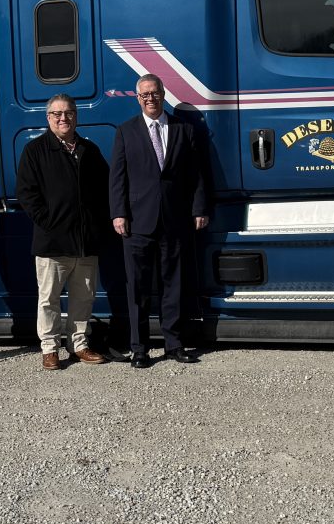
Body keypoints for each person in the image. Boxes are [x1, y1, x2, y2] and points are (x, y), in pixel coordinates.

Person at [109, 73, 210, 368]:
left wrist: (199, 208)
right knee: (138, 289)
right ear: (137, 99)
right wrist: (118, 213)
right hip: (137, 223)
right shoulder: (126, 132)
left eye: (154, 93)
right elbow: (117, 177)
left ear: (163, 94)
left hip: (175, 219)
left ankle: (173, 344)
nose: (150, 99)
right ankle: (139, 348)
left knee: (173, 284)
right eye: (144, 95)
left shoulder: (183, 129)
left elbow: (197, 174)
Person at [15, 93, 111, 369]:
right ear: (48, 118)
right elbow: (26, 193)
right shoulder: (35, 151)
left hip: (85, 241)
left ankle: (79, 345)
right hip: (52, 242)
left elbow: (104, 190)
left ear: (76, 117)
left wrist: (97, 224)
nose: (63, 118)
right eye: (57, 114)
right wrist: (48, 221)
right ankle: (49, 348)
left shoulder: (88, 150)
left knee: (83, 298)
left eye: (68, 113)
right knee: (49, 300)